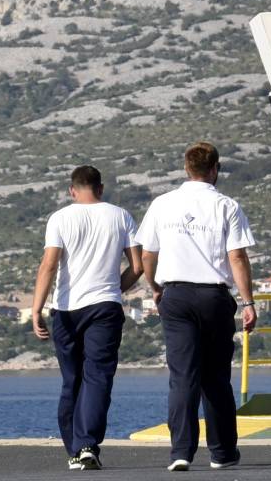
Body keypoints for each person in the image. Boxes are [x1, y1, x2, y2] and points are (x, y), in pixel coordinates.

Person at [138, 141, 257, 472]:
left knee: (182, 377)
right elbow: (237, 257)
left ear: (186, 168)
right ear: (215, 169)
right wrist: (248, 301)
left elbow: (147, 254)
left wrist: (156, 288)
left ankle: (181, 451)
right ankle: (222, 452)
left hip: (175, 296)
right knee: (216, 377)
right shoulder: (227, 206)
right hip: (214, 297)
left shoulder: (162, 204)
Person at [30, 164, 142, 471]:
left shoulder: (60, 218)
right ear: (100, 188)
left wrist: (36, 308)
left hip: (66, 309)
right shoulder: (121, 216)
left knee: (72, 380)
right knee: (98, 377)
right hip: (105, 307)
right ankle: (88, 445)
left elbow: (49, 266)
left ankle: (74, 450)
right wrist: (114, 288)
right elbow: (138, 266)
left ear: (72, 190)